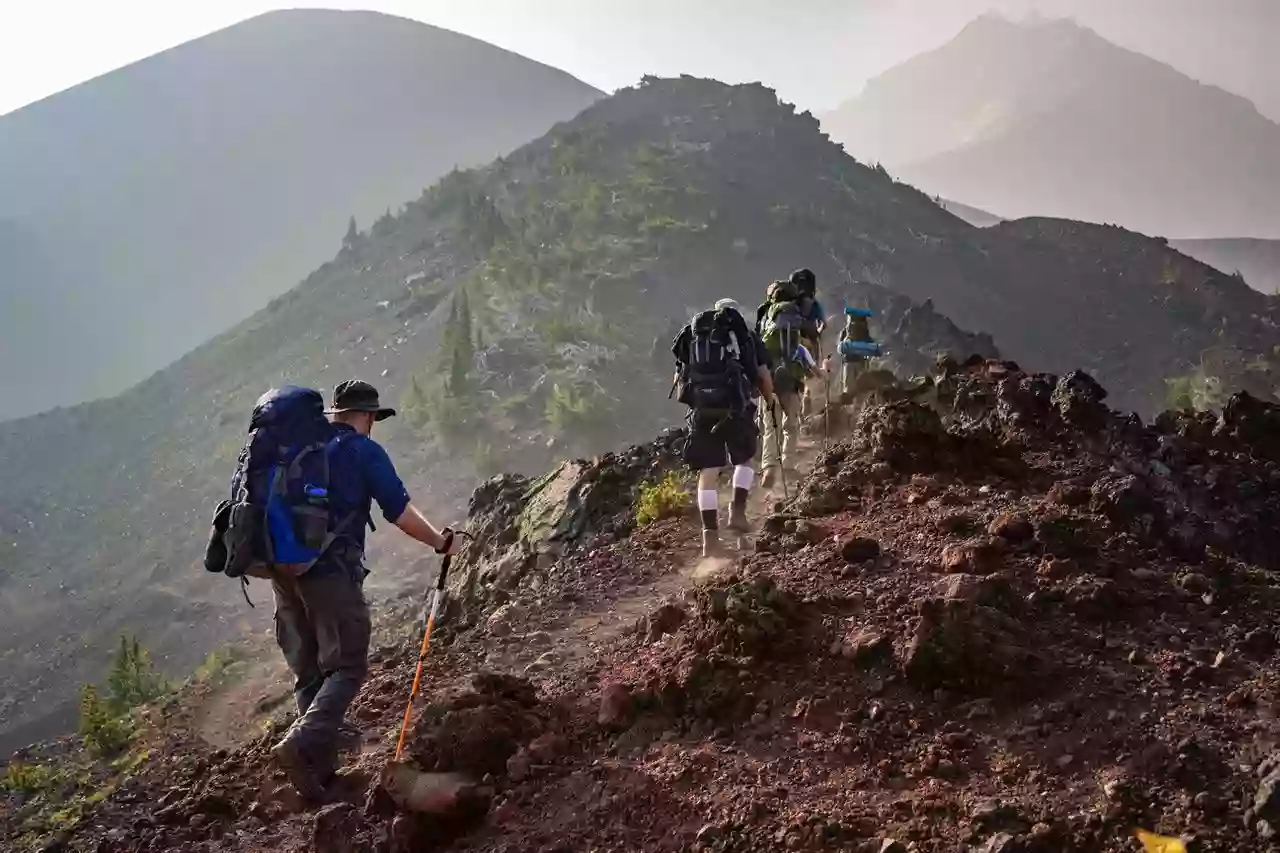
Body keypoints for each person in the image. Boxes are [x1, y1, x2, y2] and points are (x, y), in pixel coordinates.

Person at [264, 380, 462, 800]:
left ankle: (320, 777)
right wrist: (440, 543)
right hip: (330, 572)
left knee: (311, 669)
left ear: (334, 412)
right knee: (348, 666)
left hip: (282, 571)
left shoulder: (300, 449)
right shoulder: (362, 450)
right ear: (370, 416)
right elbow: (399, 511)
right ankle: (301, 746)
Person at [672, 298, 774, 557]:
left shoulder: (693, 337)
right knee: (745, 460)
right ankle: (737, 513)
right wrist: (770, 402)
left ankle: (710, 540)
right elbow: (762, 376)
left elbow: (679, 377)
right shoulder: (745, 337)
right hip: (735, 408)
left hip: (702, 411)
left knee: (708, 473)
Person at [756, 279, 820, 488]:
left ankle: (768, 467)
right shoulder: (796, 317)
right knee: (790, 426)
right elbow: (806, 343)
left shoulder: (766, 318)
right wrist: (815, 369)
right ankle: (788, 464)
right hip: (791, 379)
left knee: (769, 426)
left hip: (769, 379)